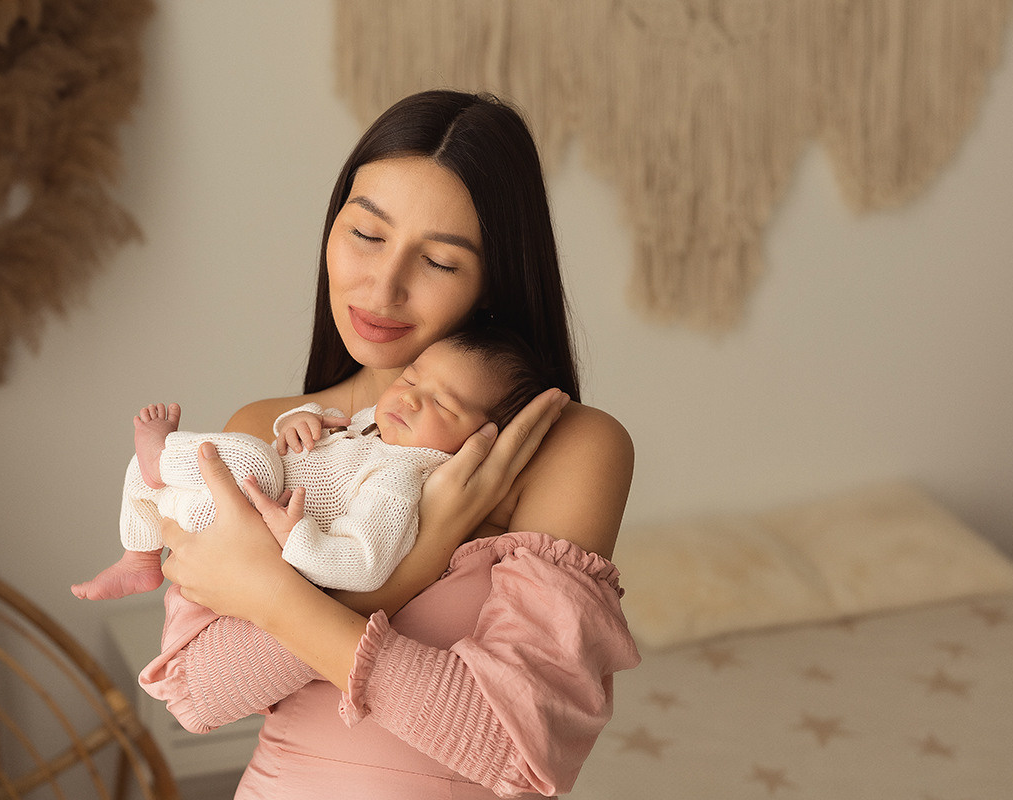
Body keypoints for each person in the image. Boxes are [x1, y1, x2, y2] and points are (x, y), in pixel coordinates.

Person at [140, 90, 640, 799]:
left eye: (438, 261)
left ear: (493, 282)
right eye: (367, 236)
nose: (383, 286)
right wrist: (423, 550)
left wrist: (275, 599)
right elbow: (199, 693)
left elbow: (512, 748)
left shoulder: (565, 447)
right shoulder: (266, 432)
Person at [71, 327, 550, 599]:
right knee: (144, 477)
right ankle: (139, 557)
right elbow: (318, 434)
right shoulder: (369, 424)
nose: (410, 400)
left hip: (255, 530)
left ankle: (162, 455)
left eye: (443, 405)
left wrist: (292, 535)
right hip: (224, 513)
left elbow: (364, 563)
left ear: (478, 441)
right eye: (409, 380)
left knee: (245, 454)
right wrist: (298, 421)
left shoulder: (400, 476)